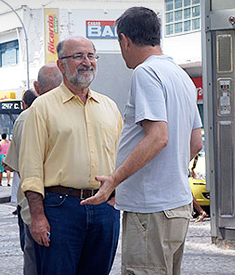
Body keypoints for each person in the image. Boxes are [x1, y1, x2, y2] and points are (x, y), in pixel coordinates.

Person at [80, 7, 204, 275]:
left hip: (151, 210)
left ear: (124, 40)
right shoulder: (181, 75)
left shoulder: (146, 72)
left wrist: (115, 179)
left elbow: (158, 136)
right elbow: (196, 142)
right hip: (176, 206)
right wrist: (168, 170)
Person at [19, 36, 123, 274]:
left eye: (91, 56)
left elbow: (121, 158)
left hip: (104, 209)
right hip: (60, 209)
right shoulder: (42, 108)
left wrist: (116, 197)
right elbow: (31, 168)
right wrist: (37, 217)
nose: (86, 62)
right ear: (61, 65)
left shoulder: (109, 107)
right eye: (78, 56)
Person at [3, 63, 62, 275]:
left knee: (35, 264)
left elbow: (16, 167)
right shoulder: (70, 113)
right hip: (67, 210)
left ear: (37, 87)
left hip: (31, 211)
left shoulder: (25, 118)